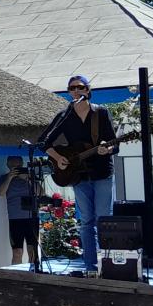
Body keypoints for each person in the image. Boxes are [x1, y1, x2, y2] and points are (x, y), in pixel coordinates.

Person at [39, 74, 118, 275]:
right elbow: (44, 142)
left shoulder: (100, 113)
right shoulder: (65, 116)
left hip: (102, 172)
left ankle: (108, 266)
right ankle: (91, 267)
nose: (76, 91)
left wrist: (106, 149)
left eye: (80, 87)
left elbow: (114, 144)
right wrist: (58, 158)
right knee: (87, 222)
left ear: (88, 90)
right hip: (79, 175)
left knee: (103, 220)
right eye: (72, 88)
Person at [0, 156, 40, 267]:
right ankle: (16, 274)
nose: (17, 169)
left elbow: (40, 192)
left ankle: (33, 273)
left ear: (22, 164)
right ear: (8, 166)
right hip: (15, 219)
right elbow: (0, 193)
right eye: (14, 167)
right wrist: (10, 177)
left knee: (32, 250)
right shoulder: (4, 178)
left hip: (32, 217)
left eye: (19, 166)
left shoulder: (30, 177)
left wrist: (29, 179)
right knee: (17, 251)